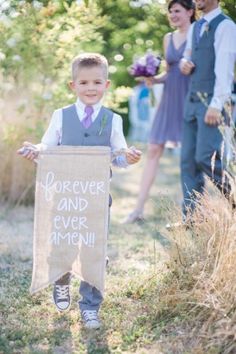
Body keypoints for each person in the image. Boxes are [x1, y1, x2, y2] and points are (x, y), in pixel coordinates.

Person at [17, 53, 141, 329]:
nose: (90, 88)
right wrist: (34, 151)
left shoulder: (113, 120)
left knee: (93, 251)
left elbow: (117, 157)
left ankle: (90, 306)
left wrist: (128, 158)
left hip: (97, 198)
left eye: (97, 82)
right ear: (73, 86)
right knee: (65, 242)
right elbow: (47, 149)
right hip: (65, 195)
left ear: (106, 85)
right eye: (84, 82)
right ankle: (61, 280)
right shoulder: (61, 116)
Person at [125, 0, 195, 223]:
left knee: (191, 157)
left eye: (178, 10)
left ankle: (193, 213)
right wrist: (152, 79)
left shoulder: (198, 34)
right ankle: (137, 210)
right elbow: (170, 73)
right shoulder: (167, 38)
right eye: (170, 11)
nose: (173, 15)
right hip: (168, 100)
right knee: (154, 148)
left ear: (191, 12)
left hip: (190, 98)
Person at [179, 0, 236, 220]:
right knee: (188, 162)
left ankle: (233, 200)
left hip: (212, 103)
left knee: (206, 157)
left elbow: (225, 68)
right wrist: (185, 62)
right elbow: (188, 54)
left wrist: (216, 104)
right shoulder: (195, 27)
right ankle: (192, 219)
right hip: (191, 102)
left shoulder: (226, 27)